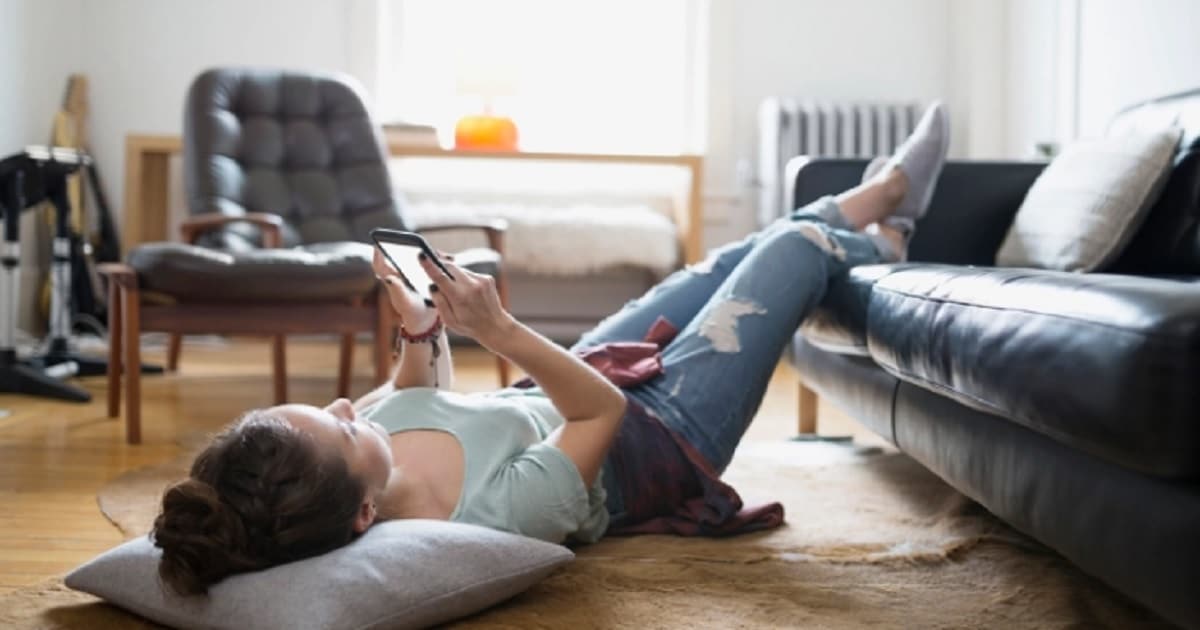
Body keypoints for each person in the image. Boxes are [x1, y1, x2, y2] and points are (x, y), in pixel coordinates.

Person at [152, 103, 951, 596]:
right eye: (341, 425)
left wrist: (421, 326)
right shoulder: (493, 518)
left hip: (567, 385)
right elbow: (600, 413)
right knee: (795, 251)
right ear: (364, 515)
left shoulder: (358, 451)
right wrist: (497, 330)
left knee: (726, 261)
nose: (343, 406)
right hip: (661, 434)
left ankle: (880, 212)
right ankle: (884, 222)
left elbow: (412, 392)